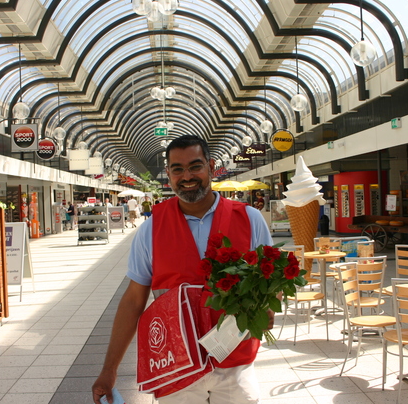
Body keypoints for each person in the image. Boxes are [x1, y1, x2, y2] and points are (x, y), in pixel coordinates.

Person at [91, 135, 273, 404]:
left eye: (195, 166)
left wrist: (269, 306)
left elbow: (270, 280)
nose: (187, 176)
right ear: (168, 174)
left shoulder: (249, 218)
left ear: (211, 166)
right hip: (176, 365)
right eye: (177, 169)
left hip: (235, 362)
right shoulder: (151, 229)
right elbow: (133, 300)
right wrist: (109, 370)